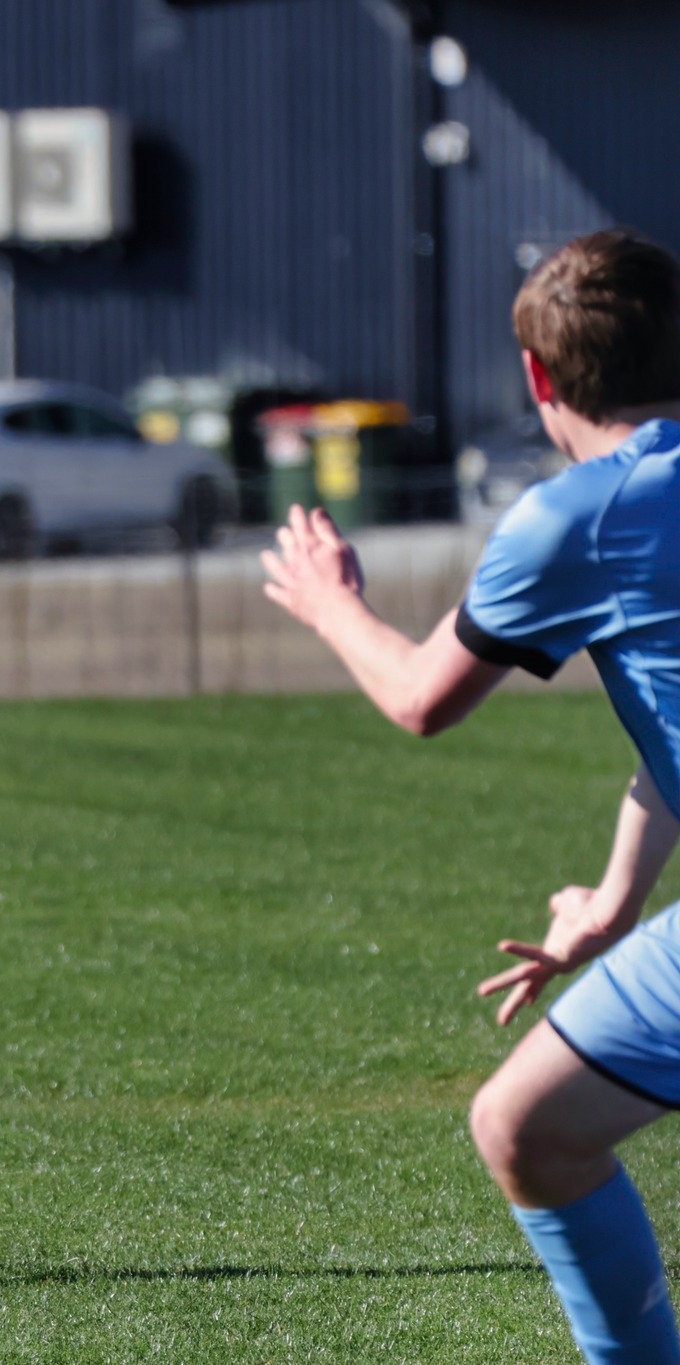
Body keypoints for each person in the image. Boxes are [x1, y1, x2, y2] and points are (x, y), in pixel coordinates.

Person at [264, 229, 680, 1363]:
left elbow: (417, 697)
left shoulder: (580, 516)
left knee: (522, 1127)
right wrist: (611, 897)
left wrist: (327, 603)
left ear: (540, 380)